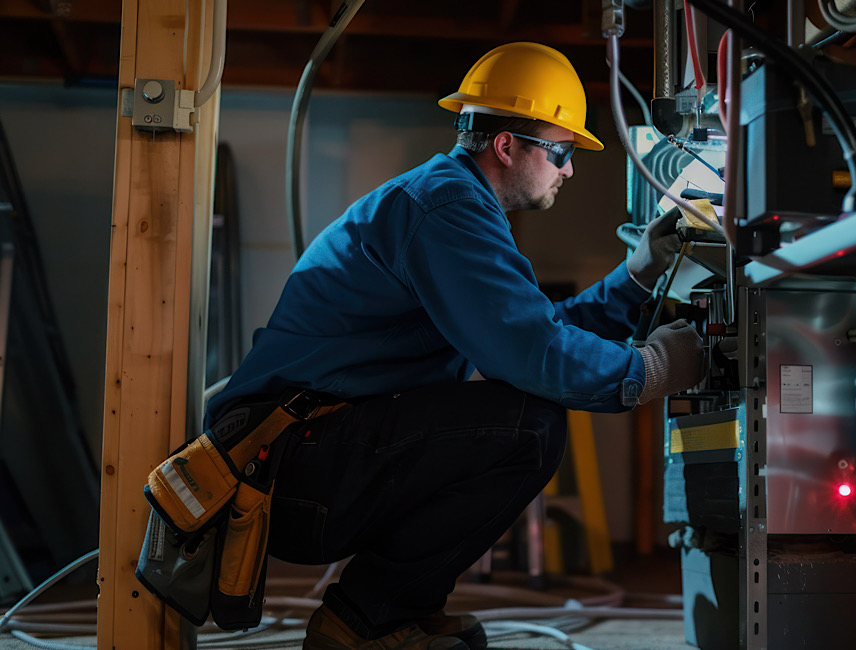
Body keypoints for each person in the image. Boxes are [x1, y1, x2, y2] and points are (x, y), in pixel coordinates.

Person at [204, 41, 705, 650]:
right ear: (507, 146)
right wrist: (653, 368)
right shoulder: (446, 207)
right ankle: (366, 620)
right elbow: (535, 352)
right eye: (563, 151)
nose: (570, 170)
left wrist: (637, 275)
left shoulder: (450, 200)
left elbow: (535, 326)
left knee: (521, 417)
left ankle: (384, 613)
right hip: (287, 470)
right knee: (530, 428)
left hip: (300, 456)